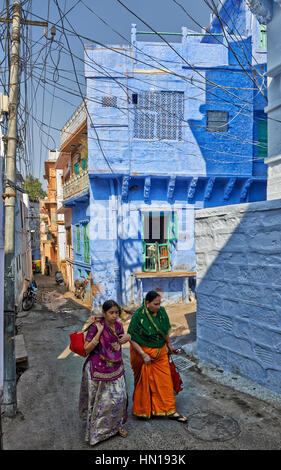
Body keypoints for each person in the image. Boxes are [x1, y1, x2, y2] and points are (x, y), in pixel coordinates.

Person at [128, 290, 187, 423]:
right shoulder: (138, 316)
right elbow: (131, 337)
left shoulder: (161, 312)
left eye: (159, 303)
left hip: (160, 352)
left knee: (165, 382)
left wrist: (169, 345)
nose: (158, 306)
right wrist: (143, 355)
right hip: (144, 354)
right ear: (147, 303)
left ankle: (170, 410)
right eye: (155, 304)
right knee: (146, 383)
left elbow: (165, 331)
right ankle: (145, 410)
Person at [79, 300, 131, 446]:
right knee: (101, 403)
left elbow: (122, 338)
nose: (114, 316)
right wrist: (99, 333)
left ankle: (117, 425)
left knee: (121, 398)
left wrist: (128, 337)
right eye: (111, 313)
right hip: (98, 369)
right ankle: (97, 432)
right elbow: (86, 349)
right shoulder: (95, 327)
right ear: (104, 313)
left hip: (116, 367)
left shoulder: (119, 325)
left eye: (116, 313)